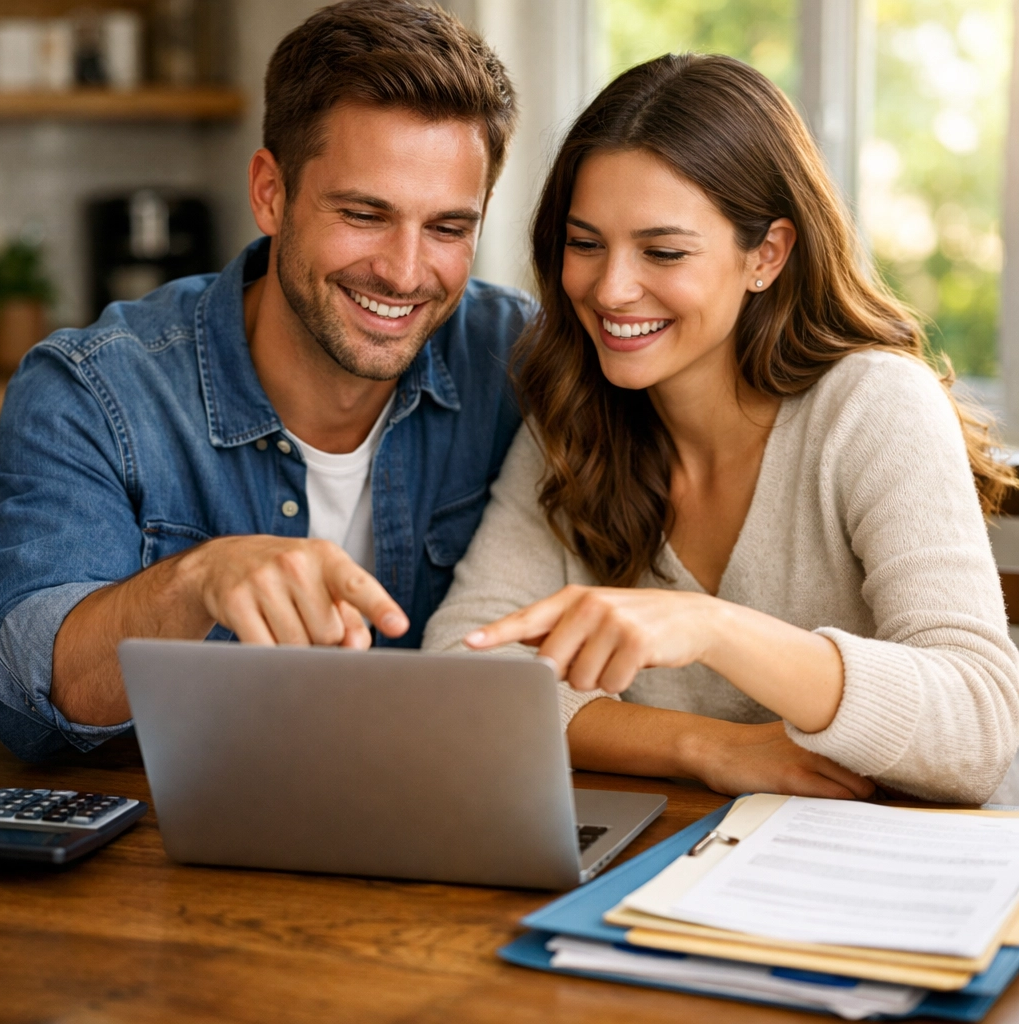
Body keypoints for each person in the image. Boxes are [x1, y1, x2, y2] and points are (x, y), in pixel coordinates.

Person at [423, 53, 1019, 804]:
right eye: (585, 243)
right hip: (668, 861)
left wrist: (713, 628)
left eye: (663, 251)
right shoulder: (574, 413)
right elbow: (462, 677)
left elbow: (978, 730)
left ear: (766, 254)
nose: (610, 288)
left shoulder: (873, 407)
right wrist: (705, 747)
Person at [0, 0, 529, 760]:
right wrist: (195, 582)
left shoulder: (519, 360)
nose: (407, 272)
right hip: (175, 854)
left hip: (446, 836)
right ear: (270, 193)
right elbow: (31, 694)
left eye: (447, 228)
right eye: (364, 214)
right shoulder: (91, 392)